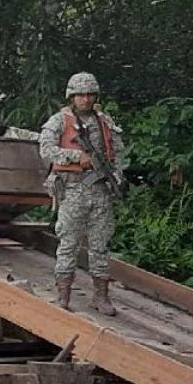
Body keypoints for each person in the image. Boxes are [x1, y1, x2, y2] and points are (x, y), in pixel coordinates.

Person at [39, 72, 125, 316]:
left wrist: (117, 175)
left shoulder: (104, 122)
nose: (85, 99)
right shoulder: (60, 121)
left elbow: (117, 153)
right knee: (68, 243)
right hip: (73, 188)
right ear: (71, 96)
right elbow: (46, 150)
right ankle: (63, 296)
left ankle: (101, 297)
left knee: (100, 245)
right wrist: (78, 157)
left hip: (100, 191)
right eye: (80, 95)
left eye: (89, 94)